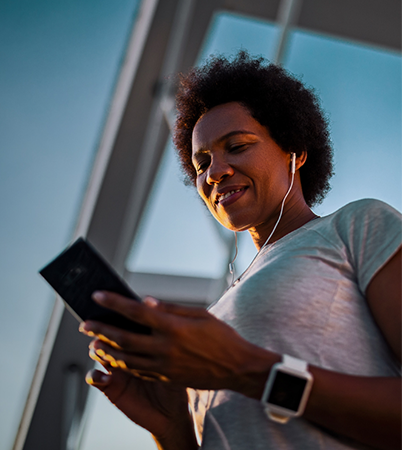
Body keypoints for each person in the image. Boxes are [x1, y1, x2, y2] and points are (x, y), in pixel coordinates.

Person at [78, 52, 401, 450]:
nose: (214, 172)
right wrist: (171, 427)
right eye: (201, 163)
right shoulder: (217, 316)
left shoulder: (357, 226)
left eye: (236, 146)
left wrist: (249, 371)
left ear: (294, 152)